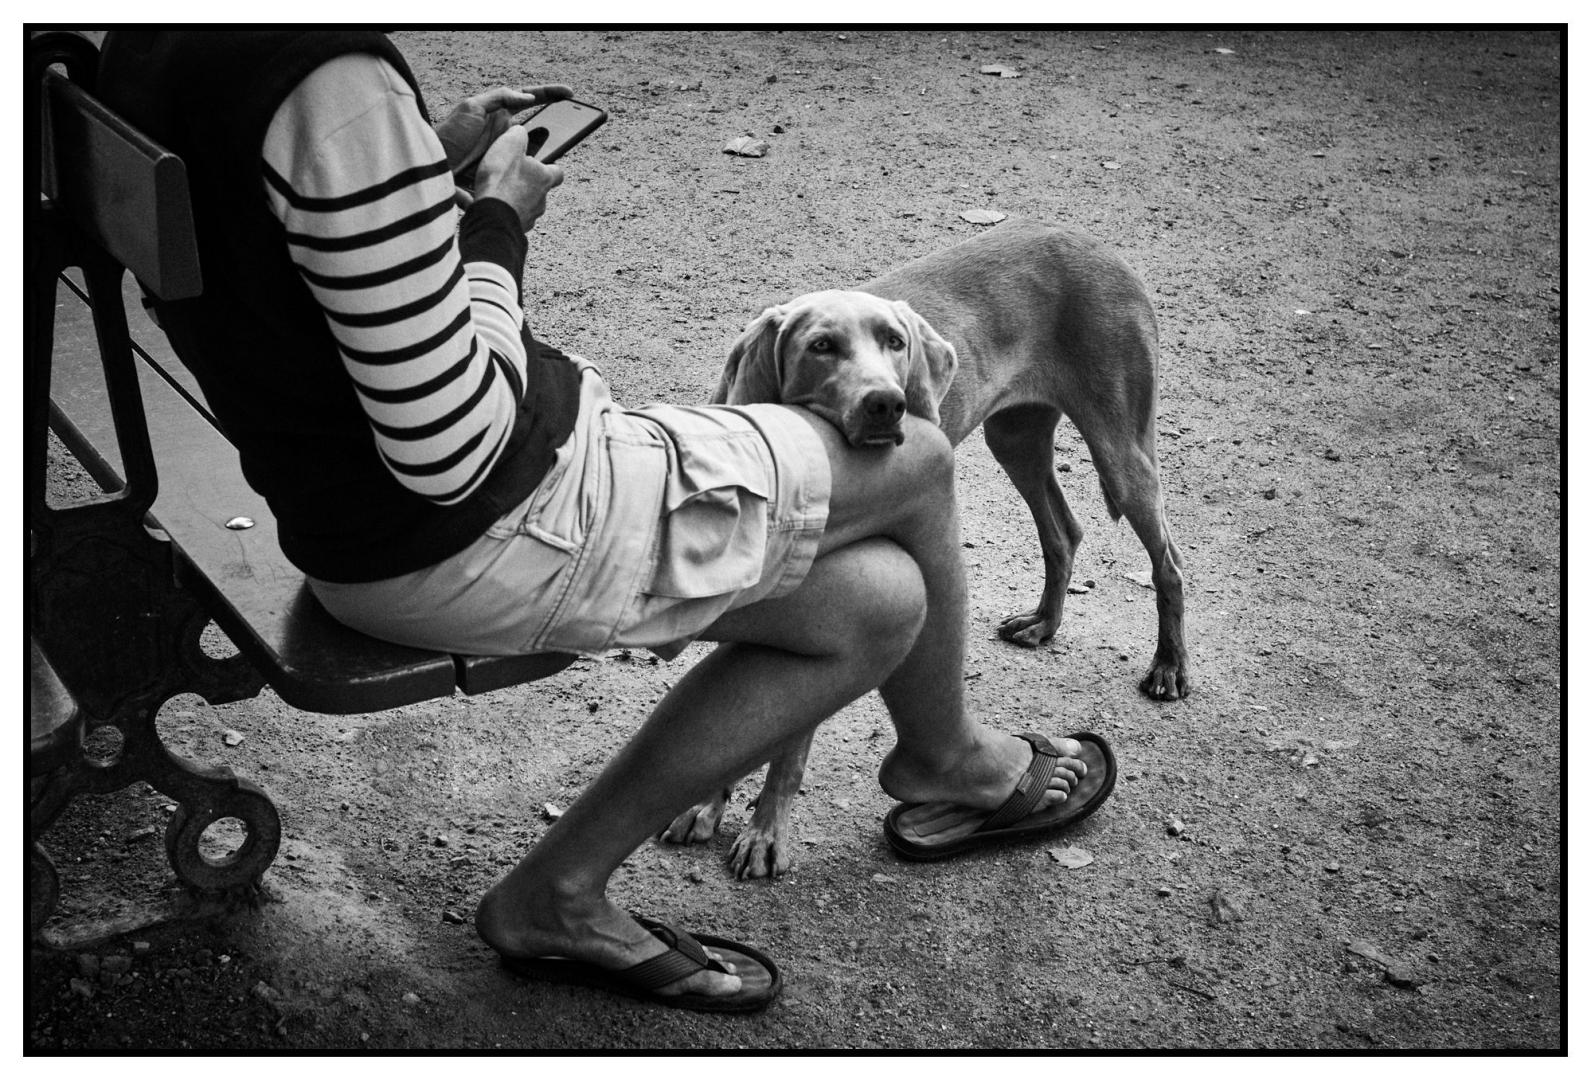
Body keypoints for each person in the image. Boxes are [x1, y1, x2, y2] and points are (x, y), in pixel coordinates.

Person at [95, 29, 1112, 1012]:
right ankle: (947, 755)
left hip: (348, 515)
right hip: (480, 521)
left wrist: (414, 171)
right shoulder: (325, 79)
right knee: (920, 457)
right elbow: (447, 445)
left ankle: (556, 893)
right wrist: (496, 223)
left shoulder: (158, 43)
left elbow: (272, 257)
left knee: (877, 603)